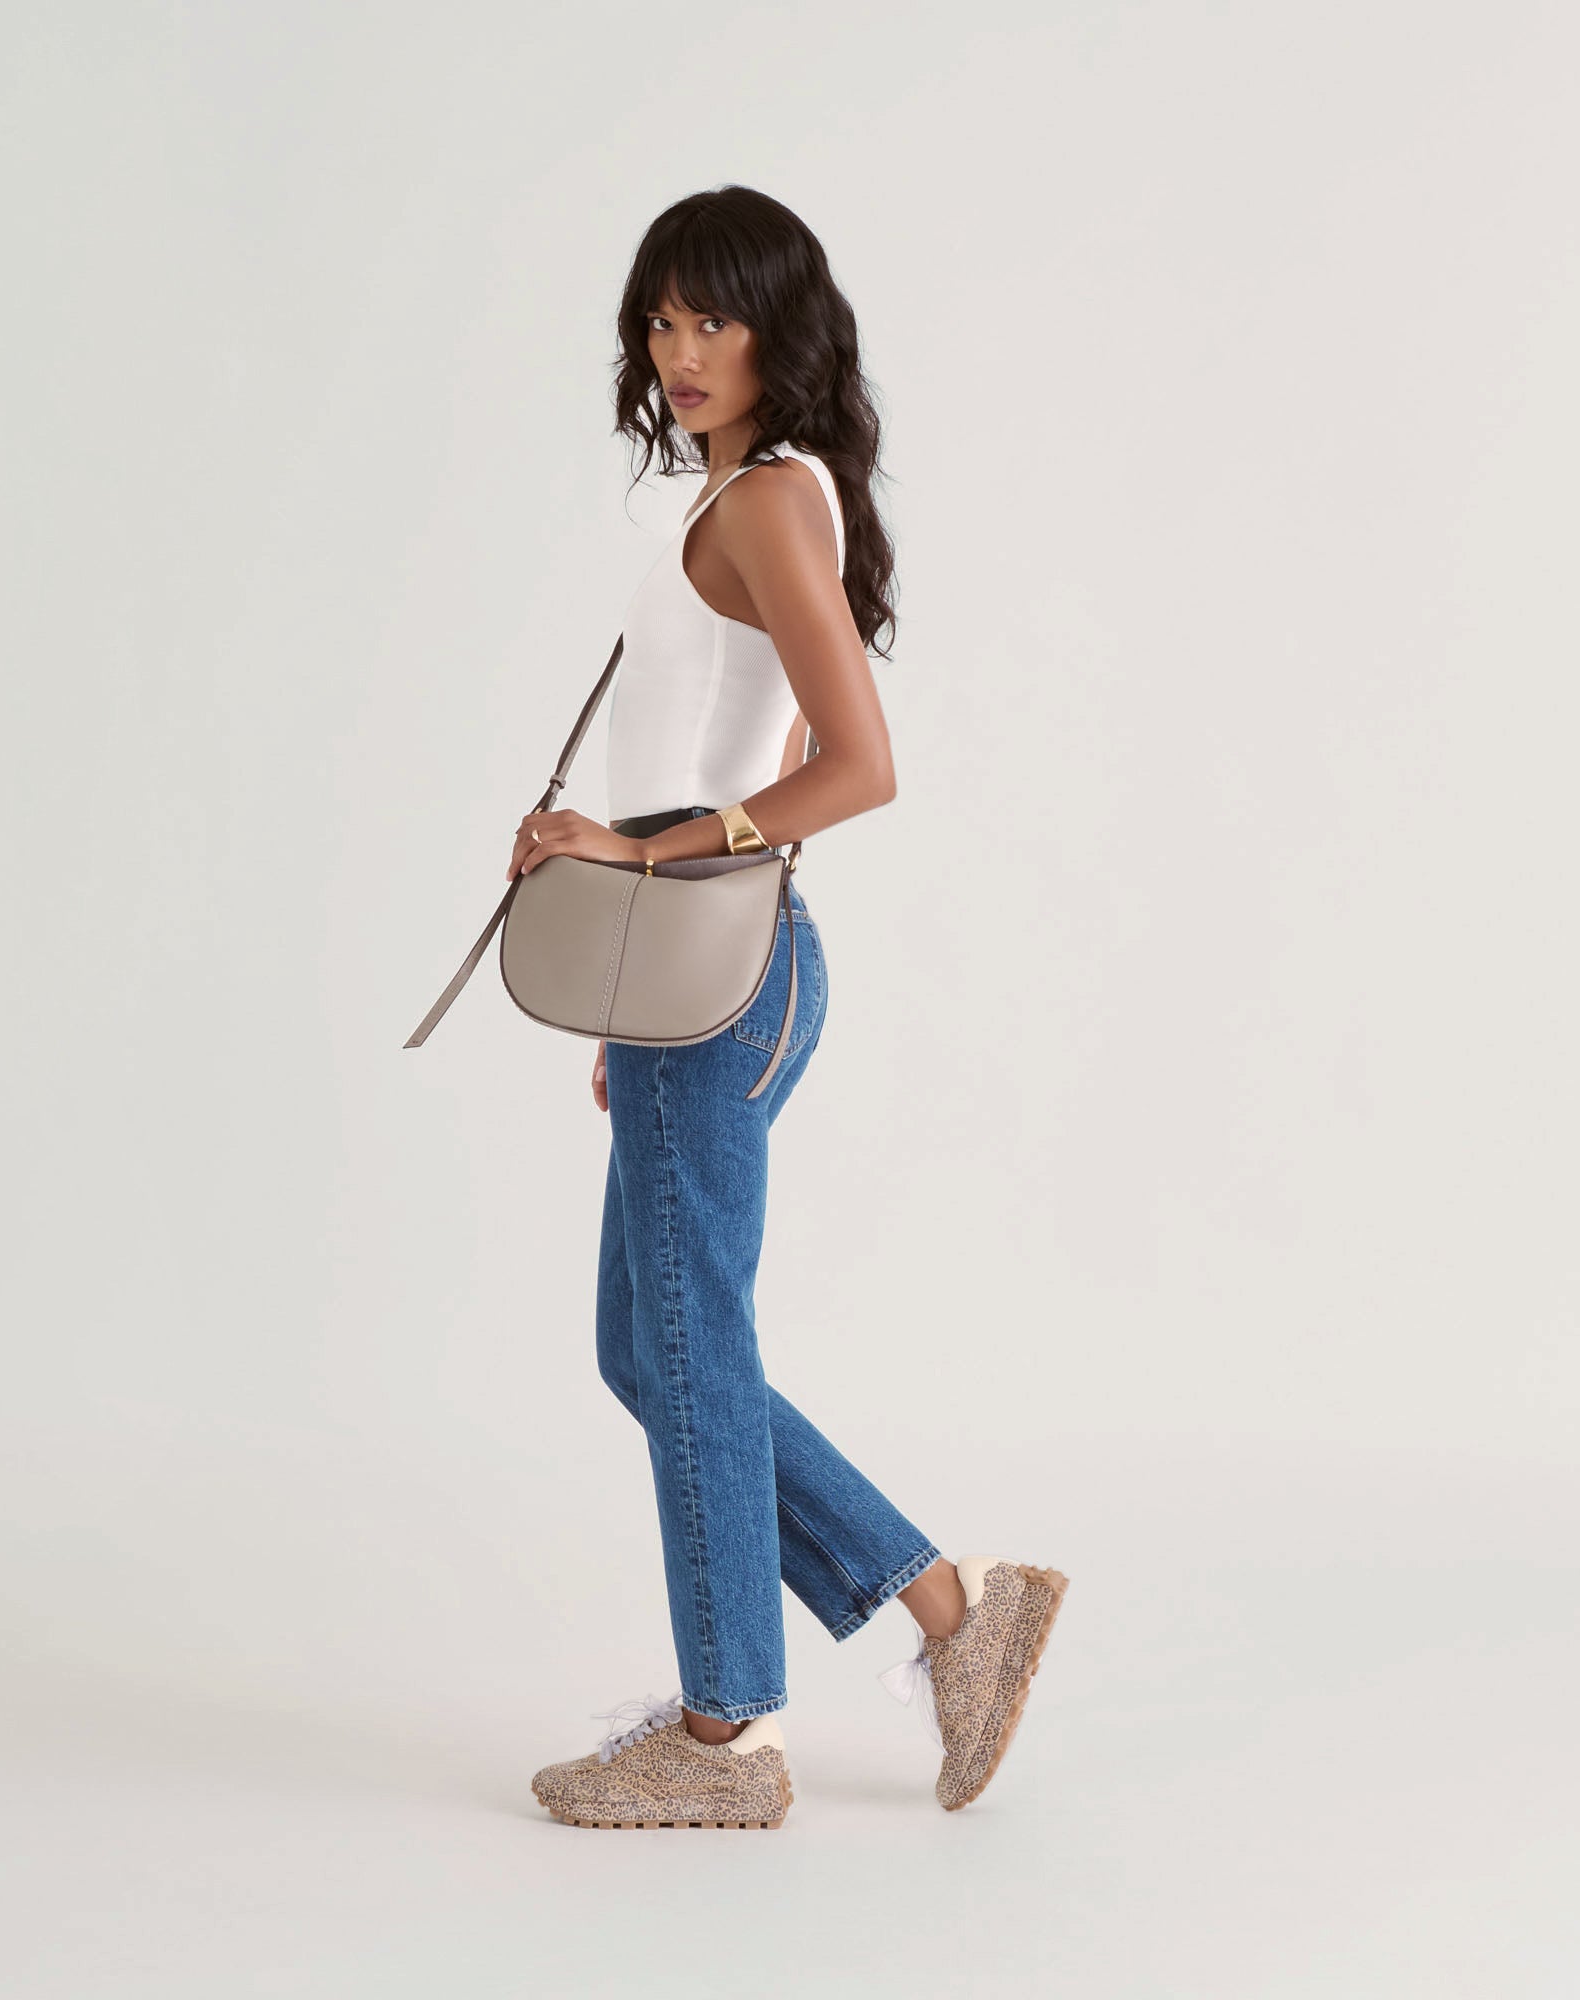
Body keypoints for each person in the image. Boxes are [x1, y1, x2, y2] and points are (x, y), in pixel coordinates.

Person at [506, 187, 1067, 1830]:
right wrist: (631, 971)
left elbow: (857, 765)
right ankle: (954, 1615)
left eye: (714, 319)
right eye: (660, 320)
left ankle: (724, 1733)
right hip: (690, 974)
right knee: (652, 1343)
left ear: (779, 331)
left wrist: (642, 852)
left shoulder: (764, 503)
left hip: (720, 963)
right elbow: (735, 744)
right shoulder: (754, 494)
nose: (679, 351)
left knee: (686, 1343)